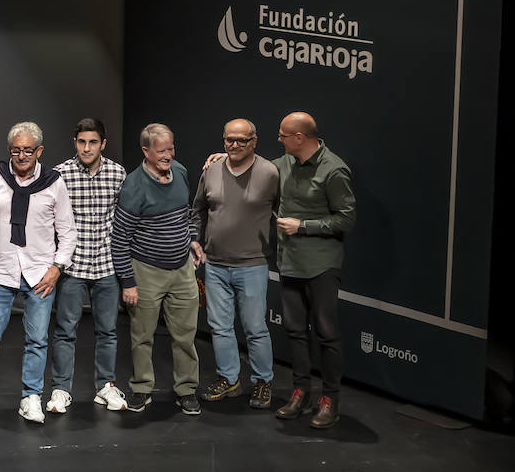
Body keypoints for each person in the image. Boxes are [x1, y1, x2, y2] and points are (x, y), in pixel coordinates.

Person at [0, 122, 77, 424]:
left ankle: (31, 397)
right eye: (16, 150)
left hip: (39, 272)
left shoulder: (53, 182)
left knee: (37, 340)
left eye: (28, 150)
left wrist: (56, 268)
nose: (22, 156)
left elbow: (68, 230)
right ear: (9, 150)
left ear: (39, 151)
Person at [112, 123, 203, 416]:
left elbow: (185, 213)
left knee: (185, 335)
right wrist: (128, 282)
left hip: (182, 269)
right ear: (146, 151)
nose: (168, 155)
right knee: (142, 335)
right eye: (162, 150)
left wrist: (192, 240)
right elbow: (120, 238)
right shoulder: (133, 186)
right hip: (146, 270)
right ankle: (141, 388)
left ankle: (187, 390)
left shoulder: (180, 171)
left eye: (171, 148)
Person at [272, 112, 355, 428]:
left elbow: (347, 219)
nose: (278, 140)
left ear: (299, 137)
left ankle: (329, 399)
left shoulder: (333, 170)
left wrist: (303, 226)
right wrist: (225, 156)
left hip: (321, 264)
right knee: (294, 330)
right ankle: (300, 391)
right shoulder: (285, 162)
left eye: (282, 135)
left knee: (326, 333)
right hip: (290, 263)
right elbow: (258, 167)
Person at [192, 119, 279, 410]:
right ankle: (229, 379)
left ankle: (263, 381)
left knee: (255, 327)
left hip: (252, 264)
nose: (235, 145)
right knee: (219, 327)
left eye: (242, 140)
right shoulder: (212, 169)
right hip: (215, 264)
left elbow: (285, 211)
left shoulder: (269, 172)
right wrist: (196, 239)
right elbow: (198, 210)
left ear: (254, 141)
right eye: (230, 139)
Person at [48, 118, 129, 414]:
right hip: (72, 265)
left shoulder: (117, 173)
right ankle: (60, 389)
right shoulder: (60, 174)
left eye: (93, 142)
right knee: (65, 330)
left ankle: (105, 386)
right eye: (82, 142)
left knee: (108, 330)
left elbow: (123, 219)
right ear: (75, 142)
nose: (87, 147)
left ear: (103, 144)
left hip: (106, 264)